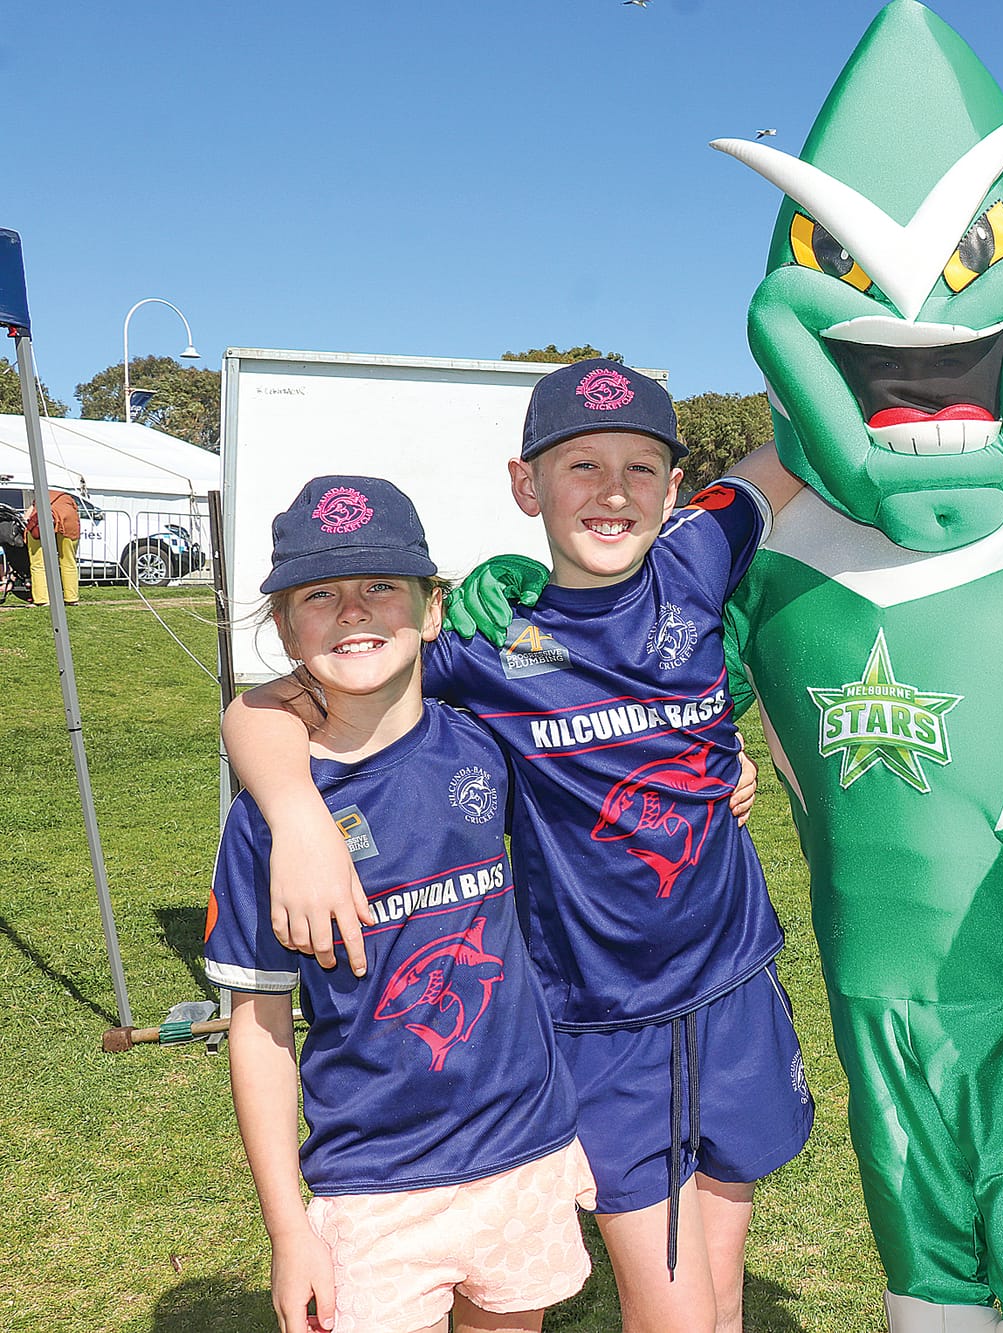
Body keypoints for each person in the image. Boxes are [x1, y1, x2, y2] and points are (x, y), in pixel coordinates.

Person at [223, 360, 809, 1333]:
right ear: (524, 485)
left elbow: (796, 453)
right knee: (673, 1313)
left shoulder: (702, 555)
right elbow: (267, 705)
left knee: (720, 1287)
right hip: (603, 1026)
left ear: (675, 486)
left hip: (736, 990)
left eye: (638, 466)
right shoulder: (485, 647)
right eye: (579, 464)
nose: (611, 489)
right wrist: (292, 811)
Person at [207, 476, 592, 1333]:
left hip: (518, 1153)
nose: (353, 611)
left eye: (381, 584)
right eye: (320, 594)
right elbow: (261, 1027)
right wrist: (285, 1229)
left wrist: (726, 769)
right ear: (284, 627)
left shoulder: (491, 748)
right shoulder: (265, 825)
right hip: (371, 1181)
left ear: (430, 607)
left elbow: (607, 730)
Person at [25, 485, 81, 606]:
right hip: (68, 523)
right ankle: (71, 598)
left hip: (39, 524)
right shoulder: (67, 498)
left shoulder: (41, 496)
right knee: (68, 560)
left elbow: (28, 515)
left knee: (37, 563)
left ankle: (41, 599)